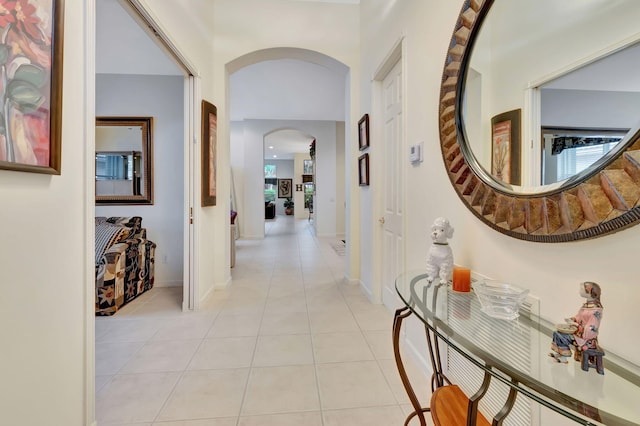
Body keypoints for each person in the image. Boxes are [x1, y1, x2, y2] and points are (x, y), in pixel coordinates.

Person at [549, 282, 603, 364]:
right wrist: (572, 320)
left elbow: (591, 328)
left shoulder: (596, 309)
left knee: (561, 336)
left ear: (589, 292)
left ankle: (564, 357)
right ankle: (560, 353)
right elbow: (579, 317)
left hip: (585, 339)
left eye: (581, 289)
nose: (579, 291)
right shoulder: (587, 305)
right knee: (556, 332)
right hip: (578, 333)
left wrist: (577, 325)